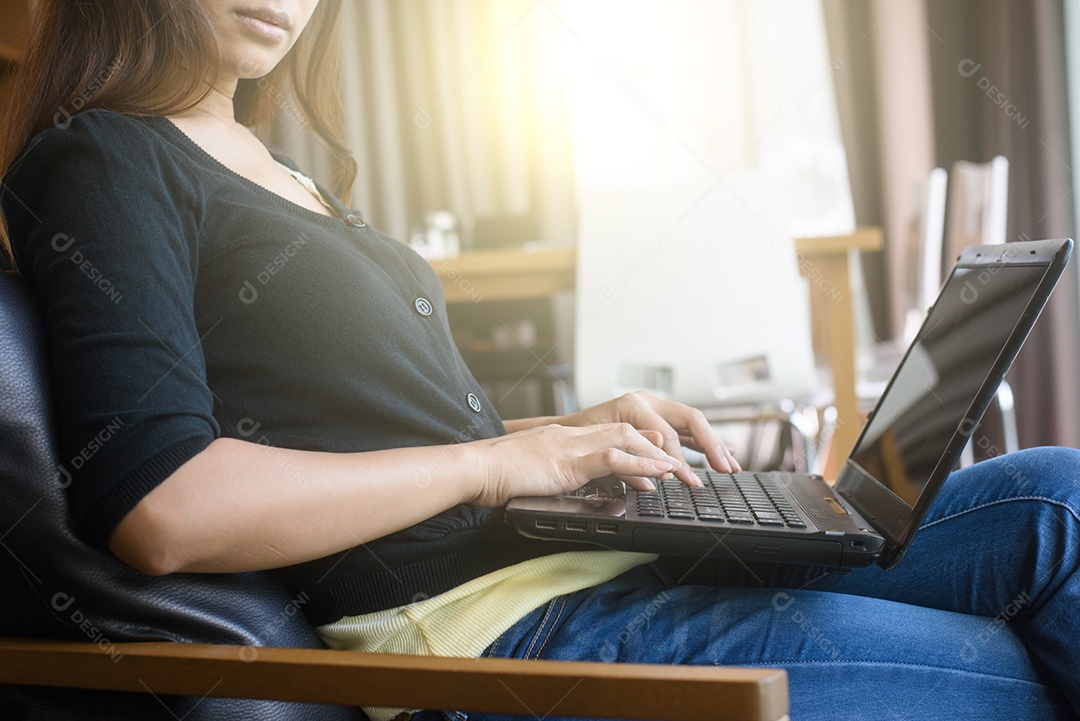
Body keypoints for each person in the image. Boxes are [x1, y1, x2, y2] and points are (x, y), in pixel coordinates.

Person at [1, 2, 1077, 719]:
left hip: (575, 560)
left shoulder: (280, 165)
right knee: (1019, 677)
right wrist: (497, 466)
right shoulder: (110, 155)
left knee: (1059, 495)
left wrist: (562, 438)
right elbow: (164, 505)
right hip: (489, 629)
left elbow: (369, 435)